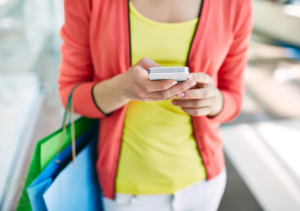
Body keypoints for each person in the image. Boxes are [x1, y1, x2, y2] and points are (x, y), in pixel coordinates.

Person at [58, 0, 252, 210]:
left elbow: (234, 95)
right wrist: (122, 88)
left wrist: (214, 102)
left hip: (203, 185)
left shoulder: (235, 5)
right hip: (127, 192)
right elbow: (70, 94)